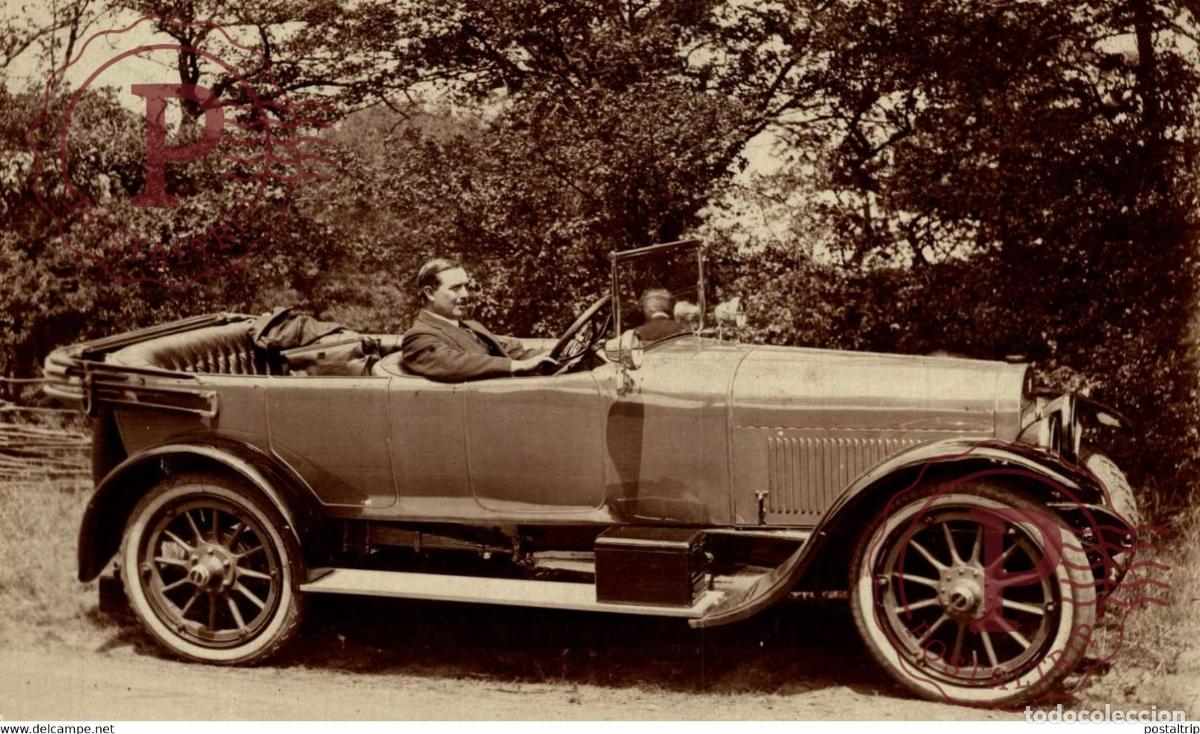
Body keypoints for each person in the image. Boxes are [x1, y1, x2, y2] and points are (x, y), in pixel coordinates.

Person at [401, 258, 557, 382]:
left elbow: (508, 349)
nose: (465, 294)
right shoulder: (419, 337)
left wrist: (552, 354)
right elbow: (453, 363)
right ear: (430, 293)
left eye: (465, 286)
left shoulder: (471, 326)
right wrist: (516, 365)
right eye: (455, 288)